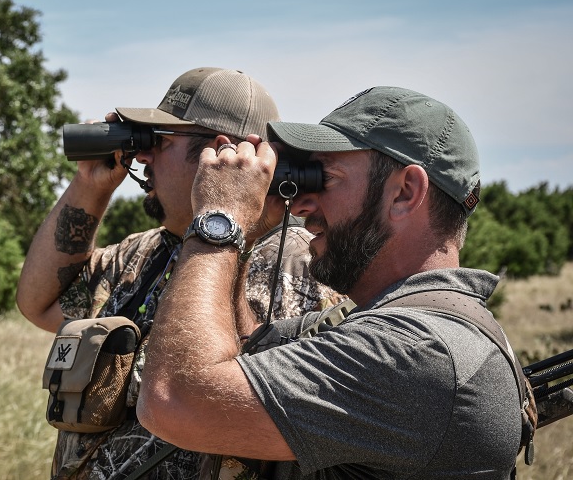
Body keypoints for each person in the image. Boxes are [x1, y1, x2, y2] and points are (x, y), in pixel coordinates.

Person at [137, 86, 525, 479]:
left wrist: (220, 218)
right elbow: (239, 350)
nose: (302, 206)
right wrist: (247, 233)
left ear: (404, 193)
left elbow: (172, 399)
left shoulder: (419, 352)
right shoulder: (386, 325)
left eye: (327, 178)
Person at [16, 67, 344, 479]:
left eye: (159, 142)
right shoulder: (145, 251)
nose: (141, 156)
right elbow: (39, 302)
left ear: (221, 152)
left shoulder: (298, 262)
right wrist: (91, 186)